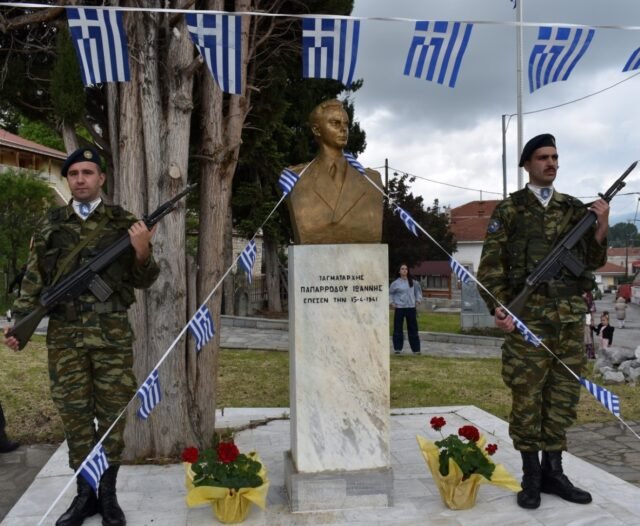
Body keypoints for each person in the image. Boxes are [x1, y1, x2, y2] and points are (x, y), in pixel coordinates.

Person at [3, 147, 160, 526]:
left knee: (112, 416)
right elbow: (34, 280)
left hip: (111, 338)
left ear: (101, 178)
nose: (80, 179)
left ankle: (108, 496)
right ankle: (84, 495)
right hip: (65, 339)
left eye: (88, 172)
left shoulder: (124, 222)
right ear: (68, 180)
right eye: (73, 174)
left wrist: (142, 252)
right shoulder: (51, 224)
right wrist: (20, 326)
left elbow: (144, 280)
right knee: (74, 417)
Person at [477, 133, 609, 510]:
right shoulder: (510, 210)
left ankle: (555, 472)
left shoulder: (573, 209)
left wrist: (602, 223)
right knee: (527, 398)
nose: (551, 163)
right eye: (542, 157)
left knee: (562, 397)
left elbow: (594, 260)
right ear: (527, 165)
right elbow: (490, 269)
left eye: (554, 157)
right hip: (528, 322)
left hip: (568, 321)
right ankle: (531, 476)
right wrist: (500, 308)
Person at [286, 99, 383, 244]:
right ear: (316, 130)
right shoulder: (295, 177)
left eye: (346, 124)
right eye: (335, 123)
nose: (343, 129)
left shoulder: (371, 179)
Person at [389, 263, 423, 354]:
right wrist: (391, 303)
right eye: (402, 269)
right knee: (398, 328)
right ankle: (397, 348)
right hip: (399, 308)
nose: (404, 270)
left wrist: (418, 300)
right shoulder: (395, 283)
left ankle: (416, 349)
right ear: (399, 271)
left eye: (406, 269)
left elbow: (418, 292)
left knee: (413, 329)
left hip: (411, 307)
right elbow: (390, 294)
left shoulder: (413, 282)